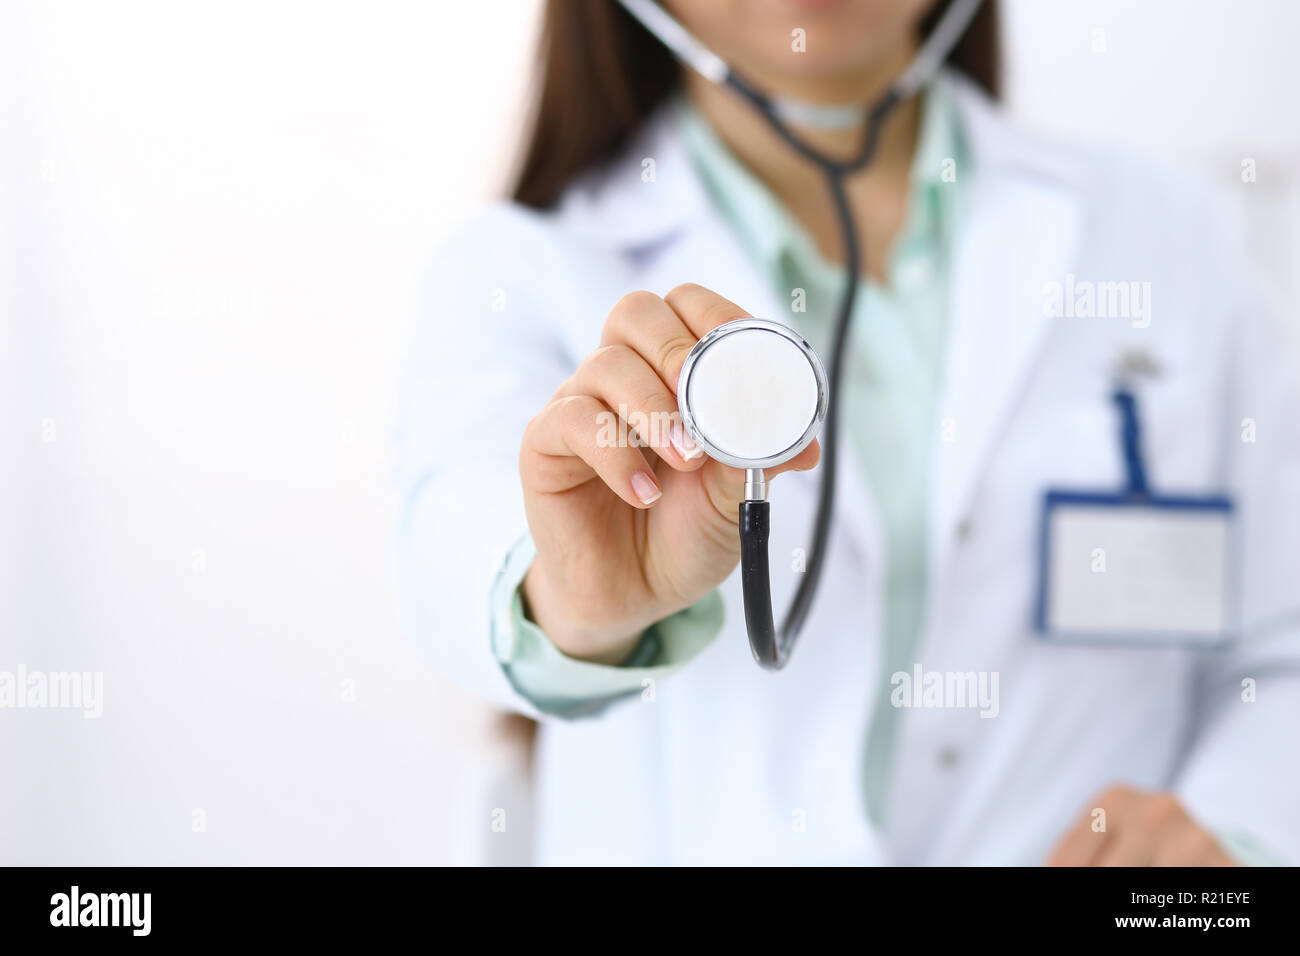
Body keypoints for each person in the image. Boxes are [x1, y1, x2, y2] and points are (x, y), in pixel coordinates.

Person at [393, 0, 1300, 865]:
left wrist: (1229, 844)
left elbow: (1280, 650)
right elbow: (455, 557)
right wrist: (573, 597)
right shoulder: (520, 270)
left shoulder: (1172, 237)